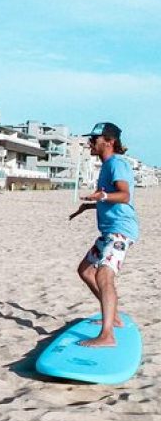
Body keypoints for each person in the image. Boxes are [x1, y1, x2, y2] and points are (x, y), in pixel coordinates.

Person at [69, 122, 139, 347]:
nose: (90, 142)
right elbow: (108, 197)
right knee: (86, 270)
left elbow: (124, 195)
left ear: (109, 142)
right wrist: (89, 206)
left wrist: (101, 197)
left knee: (103, 275)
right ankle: (114, 318)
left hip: (120, 231)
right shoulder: (107, 166)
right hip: (109, 230)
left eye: (94, 139)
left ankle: (107, 335)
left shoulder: (116, 164)